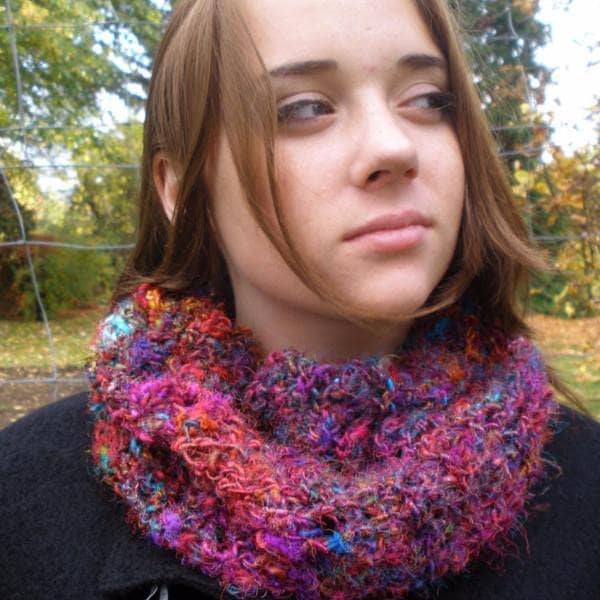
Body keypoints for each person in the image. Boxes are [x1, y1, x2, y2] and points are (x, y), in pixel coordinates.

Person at [1, 0, 599, 598]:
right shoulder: (21, 502)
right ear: (182, 190)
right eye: (305, 107)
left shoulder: (587, 486)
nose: (394, 147)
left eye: (426, 99)